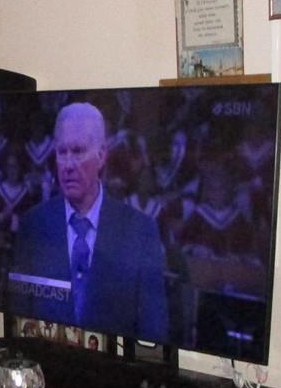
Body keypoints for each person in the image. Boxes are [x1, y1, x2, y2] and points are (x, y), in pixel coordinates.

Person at [10, 101, 168, 340]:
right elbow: (17, 320)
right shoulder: (33, 226)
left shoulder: (140, 231)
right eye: (62, 152)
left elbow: (154, 331)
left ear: (101, 155)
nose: (68, 165)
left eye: (78, 151)